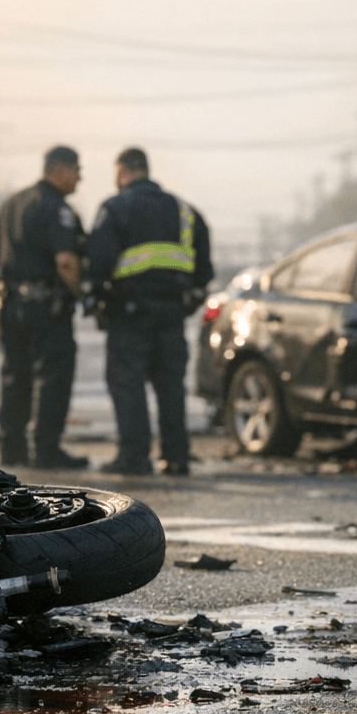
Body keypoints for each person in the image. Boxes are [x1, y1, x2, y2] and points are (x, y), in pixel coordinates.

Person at [84, 147, 213, 476]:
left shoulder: (115, 208)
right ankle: (176, 457)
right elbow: (204, 271)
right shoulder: (185, 211)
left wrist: (95, 299)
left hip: (129, 313)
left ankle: (134, 457)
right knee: (171, 385)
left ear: (122, 171)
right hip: (172, 313)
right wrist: (187, 302)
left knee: (128, 384)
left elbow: (98, 263)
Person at [0, 145, 89, 469]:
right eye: (77, 170)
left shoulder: (11, 205)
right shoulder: (57, 208)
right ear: (59, 170)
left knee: (14, 376)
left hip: (10, 304)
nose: (80, 178)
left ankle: (11, 448)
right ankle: (47, 449)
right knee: (53, 376)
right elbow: (66, 260)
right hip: (46, 308)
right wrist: (78, 293)